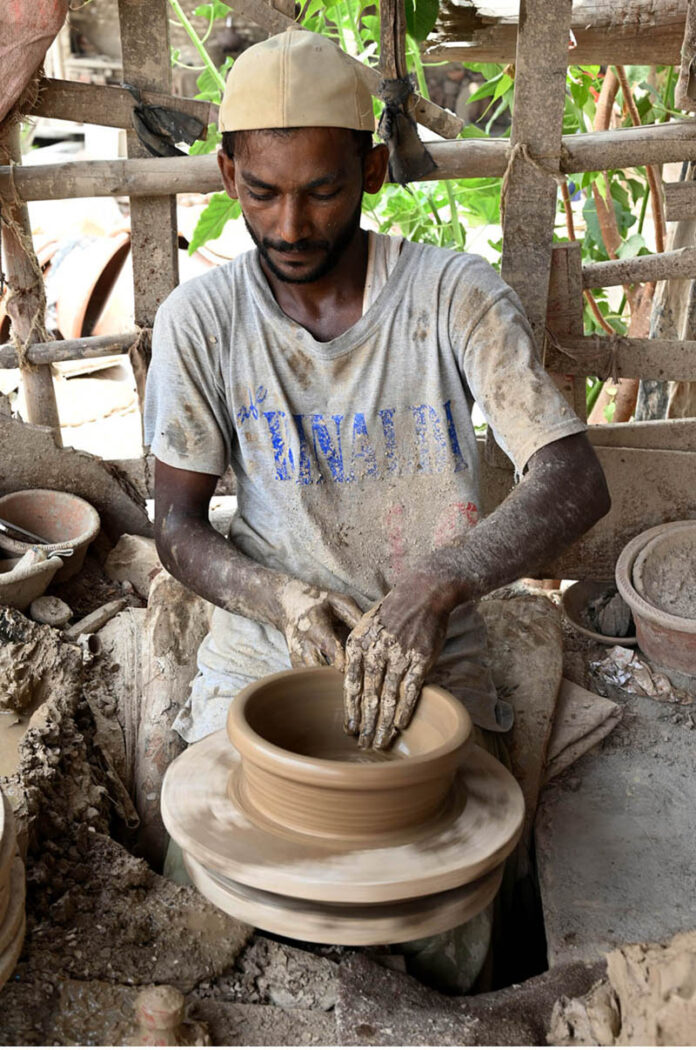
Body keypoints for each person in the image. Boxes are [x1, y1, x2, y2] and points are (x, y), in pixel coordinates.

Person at [145, 27, 610, 755]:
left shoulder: (454, 295)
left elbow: (575, 479)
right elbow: (176, 525)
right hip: (264, 650)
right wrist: (280, 600)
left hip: (431, 646)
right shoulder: (200, 320)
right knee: (219, 843)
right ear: (230, 176)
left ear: (371, 170)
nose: (290, 227)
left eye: (322, 192)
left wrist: (438, 585)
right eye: (263, 194)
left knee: (460, 851)